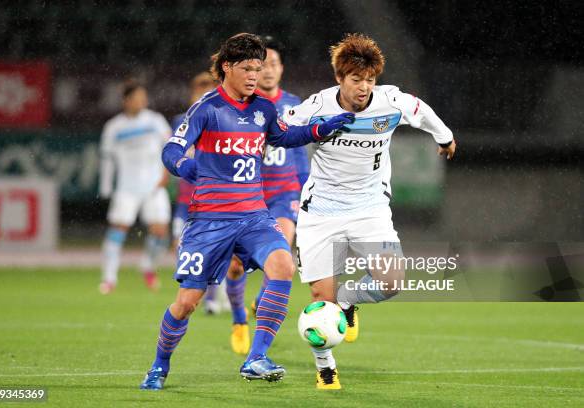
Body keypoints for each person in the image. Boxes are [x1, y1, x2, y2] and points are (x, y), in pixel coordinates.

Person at [139, 33, 354, 390]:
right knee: (187, 302)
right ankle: (160, 365)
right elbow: (172, 148)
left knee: (283, 264)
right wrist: (182, 165)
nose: (256, 75)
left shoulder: (263, 109)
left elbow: (286, 137)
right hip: (210, 219)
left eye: (259, 68)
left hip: (254, 215)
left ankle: (256, 357)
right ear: (227, 67)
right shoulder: (206, 109)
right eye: (248, 68)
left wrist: (320, 129)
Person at [285, 33, 456, 389]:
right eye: (355, 79)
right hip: (321, 212)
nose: (364, 88)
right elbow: (283, 129)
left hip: (370, 208)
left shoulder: (390, 101)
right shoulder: (317, 106)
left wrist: (445, 137)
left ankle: (350, 299)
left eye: (369, 80)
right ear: (339, 78)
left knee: (392, 282)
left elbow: (421, 111)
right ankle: (325, 365)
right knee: (321, 300)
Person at [225, 36, 310, 356]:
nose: (269, 71)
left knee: (282, 249)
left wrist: (305, 191)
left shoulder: (294, 103)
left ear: (281, 69)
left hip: (284, 193)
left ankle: (264, 301)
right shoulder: (243, 104)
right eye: (263, 66)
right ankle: (238, 320)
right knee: (234, 267)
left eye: (275, 64)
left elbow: (300, 152)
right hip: (249, 195)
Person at [98, 80, 172, 294]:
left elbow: (170, 148)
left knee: (160, 233)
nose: (142, 101)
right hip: (126, 188)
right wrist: (106, 186)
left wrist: (166, 174)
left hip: (153, 186)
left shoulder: (155, 121)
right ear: (126, 101)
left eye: (144, 97)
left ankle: (148, 265)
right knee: (117, 230)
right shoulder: (114, 127)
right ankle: (109, 278)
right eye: (137, 97)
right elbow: (107, 159)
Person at [170, 72, 230, 315]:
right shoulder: (180, 121)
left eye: (208, 89)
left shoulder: (222, 119)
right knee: (181, 246)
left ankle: (213, 299)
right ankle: (198, 295)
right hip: (185, 200)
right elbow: (173, 154)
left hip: (211, 201)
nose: (203, 93)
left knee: (215, 250)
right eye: (199, 89)